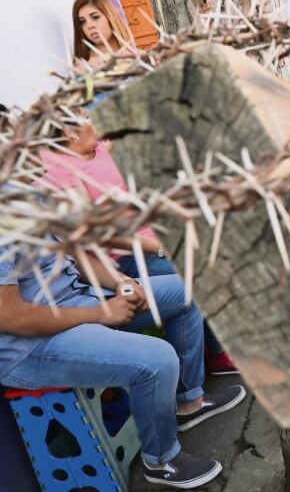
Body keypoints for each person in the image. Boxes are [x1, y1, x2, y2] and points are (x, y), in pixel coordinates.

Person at [0, 188, 246, 489]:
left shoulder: (25, 190)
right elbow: (10, 316)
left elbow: (74, 253)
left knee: (189, 292)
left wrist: (124, 283)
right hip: (31, 347)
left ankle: (188, 403)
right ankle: (161, 461)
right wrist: (103, 314)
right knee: (156, 359)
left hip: (80, 300)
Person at [36, 114, 239, 376]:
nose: (94, 117)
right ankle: (214, 357)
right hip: (125, 254)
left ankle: (219, 347)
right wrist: (156, 246)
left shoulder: (100, 149)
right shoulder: (61, 168)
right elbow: (96, 230)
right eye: (85, 116)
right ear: (69, 132)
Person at [72, 0, 134, 64]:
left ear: (110, 17)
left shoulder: (136, 54)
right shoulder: (85, 67)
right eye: (82, 22)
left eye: (95, 17)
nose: (89, 26)